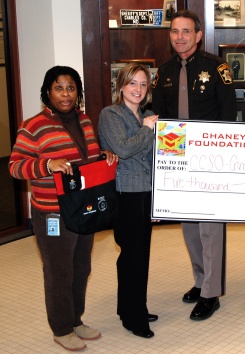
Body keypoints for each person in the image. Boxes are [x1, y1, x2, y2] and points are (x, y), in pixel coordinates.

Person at [8, 66, 117, 352]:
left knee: (81, 267)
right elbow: (15, 166)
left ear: (78, 93)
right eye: (59, 87)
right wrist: (47, 164)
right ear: (47, 92)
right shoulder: (32, 126)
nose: (65, 93)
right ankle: (61, 327)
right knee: (59, 271)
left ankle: (76, 319)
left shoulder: (84, 120)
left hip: (83, 209)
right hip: (52, 213)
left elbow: (87, 158)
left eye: (71, 87)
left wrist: (102, 154)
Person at [152, 9, 237, 321]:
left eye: (186, 32)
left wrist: (226, 160)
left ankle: (211, 293)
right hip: (178, 161)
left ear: (198, 36)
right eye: (175, 32)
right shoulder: (162, 73)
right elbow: (160, 122)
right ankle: (201, 280)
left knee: (211, 228)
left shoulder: (217, 68)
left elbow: (229, 115)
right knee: (189, 227)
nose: (180, 37)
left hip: (210, 160)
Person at [98, 64, 159, 338]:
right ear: (121, 86)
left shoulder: (147, 115)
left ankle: (133, 307)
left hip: (146, 191)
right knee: (131, 256)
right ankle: (133, 318)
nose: (138, 89)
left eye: (143, 84)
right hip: (125, 193)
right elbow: (122, 148)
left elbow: (151, 154)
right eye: (132, 83)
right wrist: (147, 131)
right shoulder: (110, 114)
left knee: (140, 255)